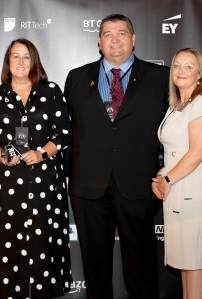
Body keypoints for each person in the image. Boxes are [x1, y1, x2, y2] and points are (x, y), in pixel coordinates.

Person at [64, 14, 170, 299]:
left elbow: (175, 131)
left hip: (138, 185)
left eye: (121, 33)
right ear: (98, 41)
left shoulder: (161, 77)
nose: (115, 39)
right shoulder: (76, 78)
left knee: (141, 265)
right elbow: (66, 132)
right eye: (108, 34)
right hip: (88, 187)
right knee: (94, 267)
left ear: (133, 40)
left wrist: (168, 171)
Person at [0, 38, 72, 299]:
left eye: (26, 57)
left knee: (42, 240)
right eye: (15, 56)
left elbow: (64, 133)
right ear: (8, 61)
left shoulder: (51, 91)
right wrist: (2, 154)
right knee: (9, 243)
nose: (21, 62)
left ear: (34, 61)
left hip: (44, 181)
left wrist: (41, 153)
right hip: (5, 183)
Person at [152, 48, 202, 299]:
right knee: (184, 258)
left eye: (188, 67)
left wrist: (167, 179)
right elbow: (175, 152)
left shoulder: (201, 103)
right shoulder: (177, 105)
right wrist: (161, 177)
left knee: (195, 259)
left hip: (193, 187)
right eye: (177, 66)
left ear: (199, 75)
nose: (181, 71)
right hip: (176, 186)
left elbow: (196, 154)